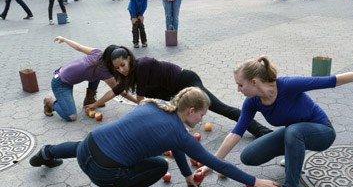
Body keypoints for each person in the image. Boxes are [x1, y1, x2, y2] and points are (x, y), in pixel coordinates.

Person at [29, 87, 280, 187]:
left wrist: (186, 175)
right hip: (103, 172)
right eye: (201, 115)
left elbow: (177, 144)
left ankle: (44, 153)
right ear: (191, 110)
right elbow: (215, 163)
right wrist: (254, 181)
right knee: (160, 165)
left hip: (88, 146)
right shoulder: (179, 135)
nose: (202, 119)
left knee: (90, 144)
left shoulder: (156, 103)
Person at [198, 55, 353, 187]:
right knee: (248, 156)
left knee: (294, 131)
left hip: (322, 132)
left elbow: (334, 80)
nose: (238, 89)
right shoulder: (252, 102)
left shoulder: (287, 85)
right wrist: (212, 164)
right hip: (294, 133)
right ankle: (294, 154)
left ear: (254, 82)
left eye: (240, 85)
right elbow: (235, 133)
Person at [85, 47, 272, 138]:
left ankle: (261, 131)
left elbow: (141, 99)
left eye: (123, 65)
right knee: (161, 105)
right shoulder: (129, 74)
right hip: (171, 91)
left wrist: (135, 122)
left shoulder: (142, 65)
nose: (122, 70)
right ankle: (171, 127)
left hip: (187, 82)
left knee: (220, 108)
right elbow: (115, 91)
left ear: (129, 59)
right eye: (117, 68)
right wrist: (93, 104)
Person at [43, 36, 136, 121]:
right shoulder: (104, 71)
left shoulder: (99, 53)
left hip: (61, 72)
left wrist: (64, 39)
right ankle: (49, 102)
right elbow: (119, 91)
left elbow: (78, 47)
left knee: (95, 73)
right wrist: (137, 101)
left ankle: (89, 99)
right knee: (71, 117)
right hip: (60, 83)